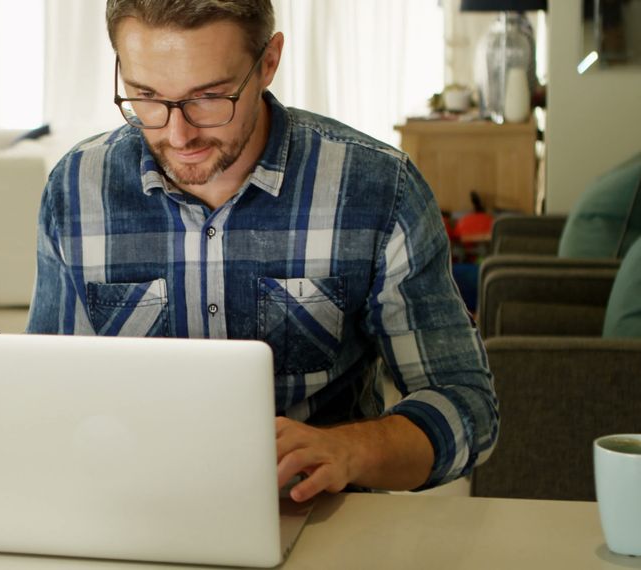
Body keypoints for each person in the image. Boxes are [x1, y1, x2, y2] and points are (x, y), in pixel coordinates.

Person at [26, 0, 499, 503]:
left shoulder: (378, 189)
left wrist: (348, 451)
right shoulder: (76, 189)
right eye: (145, 95)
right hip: (130, 510)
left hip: (321, 518)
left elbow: (467, 405)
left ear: (269, 62)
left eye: (209, 97)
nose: (177, 134)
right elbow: (50, 396)